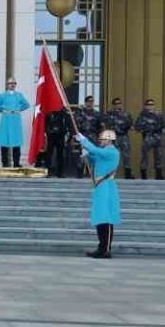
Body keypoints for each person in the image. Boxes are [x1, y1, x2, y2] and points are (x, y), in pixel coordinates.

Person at [76, 129, 121, 258]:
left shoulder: (112, 151)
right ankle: (101, 247)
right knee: (100, 217)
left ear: (109, 140)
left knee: (106, 217)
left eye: (102, 139)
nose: (100, 141)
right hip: (101, 186)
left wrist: (84, 140)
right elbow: (96, 158)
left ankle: (106, 249)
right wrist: (87, 154)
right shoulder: (105, 152)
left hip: (107, 185)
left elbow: (96, 151)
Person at [0, 79, 29, 168]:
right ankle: (4, 163)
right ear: (7, 85)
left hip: (16, 120)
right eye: (10, 83)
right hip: (6, 120)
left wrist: (18, 109)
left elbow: (26, 104)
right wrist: (3, 110)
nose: (12, 85)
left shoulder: (19, 95)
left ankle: (16, 163)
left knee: (16, 142)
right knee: (4, 142)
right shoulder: (2, 95)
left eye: (14, 83)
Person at [135, 99, 165, 179]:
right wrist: (145, 128)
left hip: (157, 137)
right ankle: (144, 174)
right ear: (145, 106)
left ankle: (158, 174)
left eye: (152, 104)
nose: (150, 106)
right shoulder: (142, 116)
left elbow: (163, 125)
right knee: (145, 156)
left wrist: (163, 130)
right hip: (147, 137)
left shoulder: (159, 115)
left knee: (158, 156)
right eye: (148, 105)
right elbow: (137, 127)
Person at [103, 98, 134, 179]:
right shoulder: (109, 114)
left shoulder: (126, 114)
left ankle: (128, 173)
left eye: (119, 103)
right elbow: (106, 124)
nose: (118, 105)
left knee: (126, 155)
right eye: (116, 103)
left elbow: (131, 125)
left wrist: (128, 126)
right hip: (114, 137)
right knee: (113, 155)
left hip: (124, 136)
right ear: (113, 105)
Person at [44, 107, 71, 177]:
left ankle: (60, 173)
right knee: (49, 154)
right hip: (51, 135)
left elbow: (67, 124)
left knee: (60, 155)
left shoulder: (64, 113)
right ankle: (47, 172)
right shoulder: (49, 112)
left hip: (61, 136)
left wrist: (66, 133)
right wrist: (48, 132)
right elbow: (45, 124)